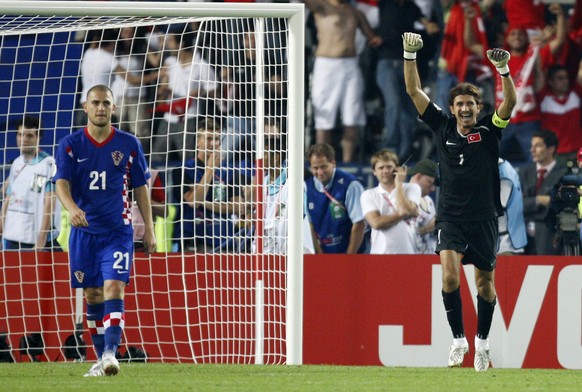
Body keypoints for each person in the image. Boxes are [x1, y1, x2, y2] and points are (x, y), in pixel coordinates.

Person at [402, 32, 517, 371]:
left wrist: (503, 70)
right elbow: (413, 91)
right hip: (450, 216)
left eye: (471, 104)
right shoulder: (442, 127)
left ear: (478, 108)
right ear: (452, 109)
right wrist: (410, 56)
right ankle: (458, 341)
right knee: (449, 278)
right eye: (459, 104)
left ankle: (481, 344)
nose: (465, 108)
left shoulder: (491, 130)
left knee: (485, 285)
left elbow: (509, 104)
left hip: (482, 218)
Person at [54, 85, 156, 377]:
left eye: (106, 103)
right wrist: (72, 208)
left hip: (117, 232)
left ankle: (111, 353)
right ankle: (101, 359)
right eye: (95, 103)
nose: (101, 108)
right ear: (85, 107)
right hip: (84, 234)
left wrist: (148, 228)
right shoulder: (71, 144)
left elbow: (140, 188)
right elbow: (61, 183)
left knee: (114, 288)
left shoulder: (128, 144)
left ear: (114, 108)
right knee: (93, 295)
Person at [305, 0, 382, 163]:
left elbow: (372, 37)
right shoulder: (321, 6)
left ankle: (348, 162)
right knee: (324, 116)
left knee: (352, 116)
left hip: (351, 65)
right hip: (327, 65)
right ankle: (321, 162)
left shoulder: (355, 12)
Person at [375, 0, 439, 159]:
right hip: (387, 62)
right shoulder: (386, 4)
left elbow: (424, 21)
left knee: (409, 111)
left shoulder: (412, 7)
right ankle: (390, 150)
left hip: (407, 62)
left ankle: (404, 153)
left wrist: (429, 26)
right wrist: (371, 35)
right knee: (394, 105)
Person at [176, 118, 248, 252]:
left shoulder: (231, 171)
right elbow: (193, 202)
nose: (214, 143)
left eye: (217, 139)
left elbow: (238, 208)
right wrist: (210, 169)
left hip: (225, 242)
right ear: (197, 142)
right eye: (209, 139)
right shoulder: (184, 170)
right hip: (194, 241)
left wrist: (204, 202)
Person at [0, 116, 59, 250]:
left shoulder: (48, 164)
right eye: (20, 134)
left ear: (38, 138)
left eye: (29, 135)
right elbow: (8, 199)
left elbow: (50, 202)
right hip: (10, 236)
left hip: (32, 238)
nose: (23, 139)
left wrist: (41, 238)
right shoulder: (16, 163)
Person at [305, 143, 366, 253]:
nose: (320, 172)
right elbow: (310, 225)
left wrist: (348, 259)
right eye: (315, 168)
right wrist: (319, 255)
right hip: (322, 253)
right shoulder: (306, 187)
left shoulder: (351, 185)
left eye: (324, 166)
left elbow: (359, 223)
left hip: (352, 253)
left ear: (333, 163)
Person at [360, 149, 421, 254]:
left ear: (397, 168)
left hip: (409, 254)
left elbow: (405, 209)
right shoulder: (368, 194)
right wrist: (403, 213)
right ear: (374, 171)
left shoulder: (413, 188)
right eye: (381, 168)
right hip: (380, 255)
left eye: (389, 167)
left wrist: (399, 184)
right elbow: (376, 223)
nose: (385, 171)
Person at [518, 129, 567, 255]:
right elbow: (517, 204)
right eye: (531, 146)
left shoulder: (565, 173)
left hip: (549, 237)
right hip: (522, 237)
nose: (532, 150)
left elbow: (560, 206)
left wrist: (529, 205)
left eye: (538, 146)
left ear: (551, 149)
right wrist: (539, 200)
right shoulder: (524, 173)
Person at [539, 63, 582, 166]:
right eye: (560, 78)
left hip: (577, 150)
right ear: (550, 81)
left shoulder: (575, 94)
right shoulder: (543, 98)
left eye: (566, 78)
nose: (565, 81)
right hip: (556, 153)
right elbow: (538, 73)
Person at [497, 158, 527, 255]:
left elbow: (496, 208)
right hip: (498, 242)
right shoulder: (498, 167)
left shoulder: (504, 173)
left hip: (505, 245)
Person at [408, 159, 438, 254]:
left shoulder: (428, 201)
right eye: (430, 183)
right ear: (418, 176)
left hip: (427, 257)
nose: (433, 188)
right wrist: (426, 229)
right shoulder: (401, 197)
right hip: (404, 257)